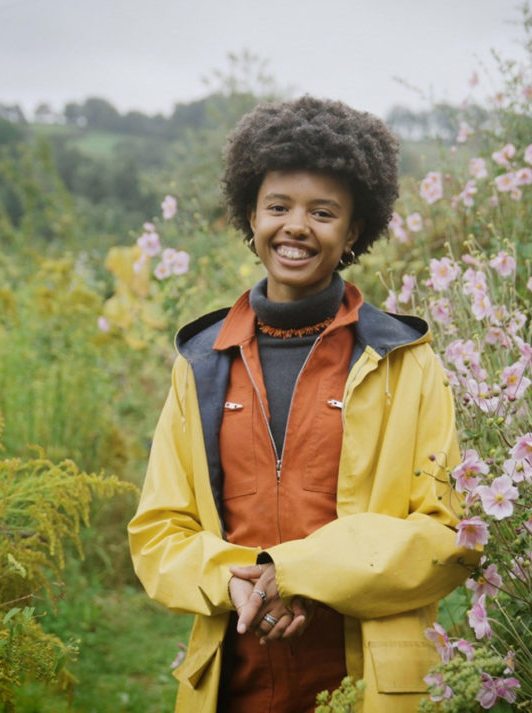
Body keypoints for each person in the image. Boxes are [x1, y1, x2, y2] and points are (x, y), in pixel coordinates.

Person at [128, 96, 470, 713]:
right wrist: (238, 585)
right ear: (250, 216)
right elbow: (159, 531)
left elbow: (446, 535)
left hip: (366, 687)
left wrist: (299, 575)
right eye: (278, 207)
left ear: (353, 231)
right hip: (233, 684)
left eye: (323, 212)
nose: (296, 227)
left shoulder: (405, 361)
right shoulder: (201, 363)